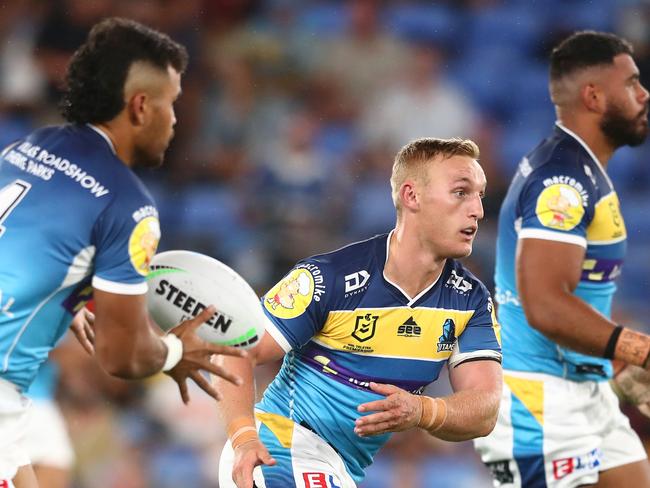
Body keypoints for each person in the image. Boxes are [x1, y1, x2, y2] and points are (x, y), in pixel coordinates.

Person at [0, 18, 245, 488]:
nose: (175, 119)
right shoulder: (128, 205)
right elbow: (121, 355)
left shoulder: (26, 146)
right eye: (171, 103)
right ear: (140, 106)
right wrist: (176, 350)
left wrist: (59, 295)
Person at [214, 137, 503, 487]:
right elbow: (236, 349)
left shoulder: (469, 300)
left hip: (338, 467)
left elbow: (485, 408)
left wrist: (423, 411)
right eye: (461, 192)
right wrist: (244, 439)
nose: (478, 209)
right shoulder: (329, 277)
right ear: (411, 196)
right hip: (279, 446)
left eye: (480, 195)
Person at [474, 31, 650, 487]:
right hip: (539, 399)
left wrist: (610, 363)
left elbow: (578, 297)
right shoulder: (563, 182)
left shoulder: (587, 171)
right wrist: (638, 349)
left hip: (583, 387)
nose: (644, 93)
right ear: (594, 96)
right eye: (631, 83)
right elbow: (546, 305)